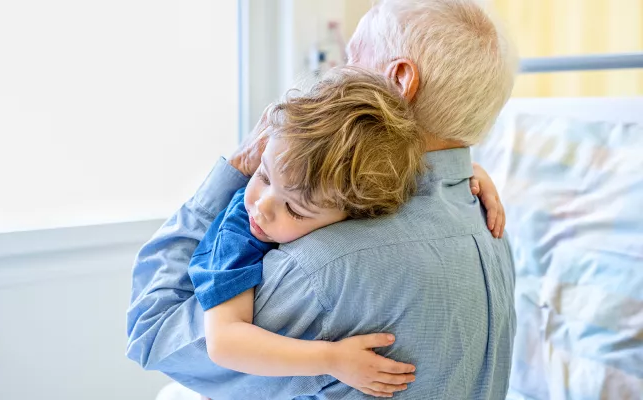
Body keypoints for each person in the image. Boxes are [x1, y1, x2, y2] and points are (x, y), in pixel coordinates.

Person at [127, 0, 518, 398]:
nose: (333, 74)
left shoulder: (322, 264)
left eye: (351, 57)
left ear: (398, 81)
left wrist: (238, 167)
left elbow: (153, 333)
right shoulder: (491, 228)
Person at [190, 68, 425, 399]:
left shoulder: (346, 200)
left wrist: (476, 174)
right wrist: (332, 360)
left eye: (295, 210)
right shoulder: (239, 233)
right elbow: (224, 342)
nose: (261, 205)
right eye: (264, 175)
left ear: (356, 212)